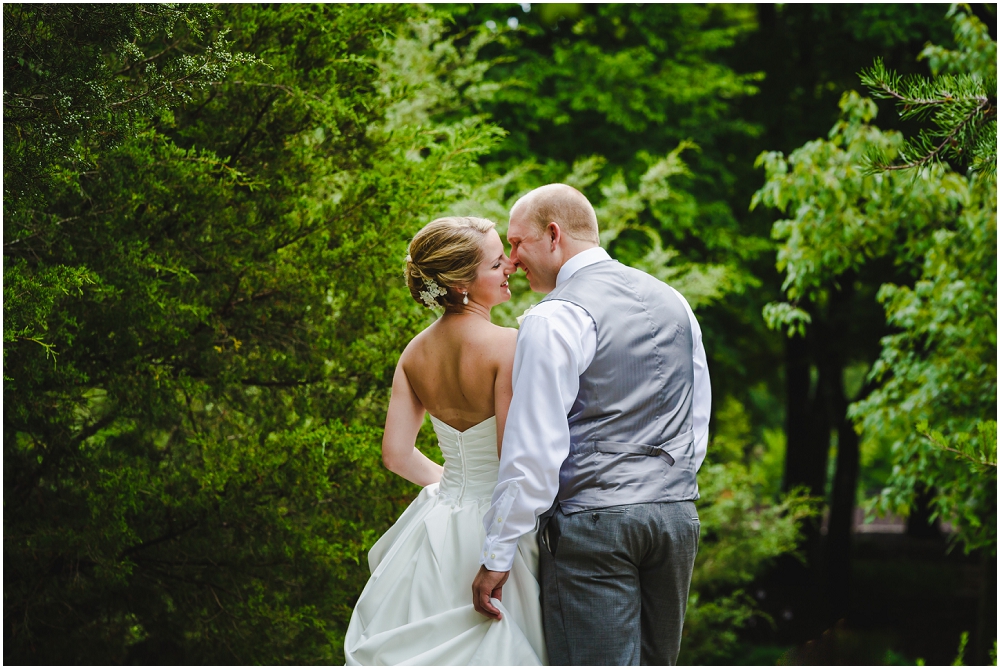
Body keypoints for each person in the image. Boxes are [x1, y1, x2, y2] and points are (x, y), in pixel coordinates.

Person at [472, 184, 711, 665]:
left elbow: (534, 448)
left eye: (517, 243)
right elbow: (696, 417)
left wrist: (498, 554)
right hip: (676, 517)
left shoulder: (554, 317)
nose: (512, 259)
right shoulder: (674, 302)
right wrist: (666, 486)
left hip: (596, 522)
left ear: (553, 234)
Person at [344, 216, 547, 665]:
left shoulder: (414, 352)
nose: (510, 266)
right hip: (498, 529)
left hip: (438, 526)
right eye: (496, 264)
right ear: (460, 283)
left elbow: (396, 454)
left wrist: (454, 487)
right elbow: (512, 456)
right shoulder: (508, 346)